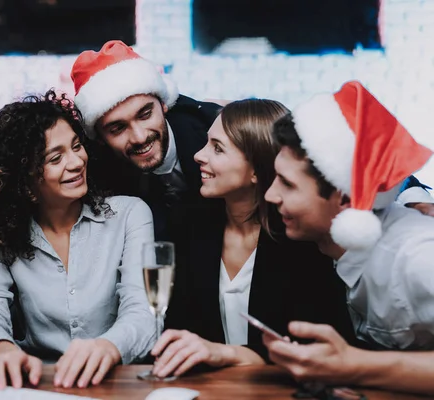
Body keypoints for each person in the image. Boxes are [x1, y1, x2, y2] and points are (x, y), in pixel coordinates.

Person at [148, 99, 357, 378]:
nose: (198, 155)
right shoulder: (189, 226)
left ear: (258, 170)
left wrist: (228, 354)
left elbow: (316, 347)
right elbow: (182, 330)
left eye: (217, 148)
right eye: (207, 142)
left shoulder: (302, 241)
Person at [0, 90, 155, 389]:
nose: (76, 162)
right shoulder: (0, 233)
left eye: (77, 146)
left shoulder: (130, 215)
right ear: (24, 180)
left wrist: (108, 348)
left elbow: (144, 312)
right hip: (37, 385)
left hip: (117, 384)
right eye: (56, 158)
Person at [263, 81, 434, 394]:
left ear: (344, 198)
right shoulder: (328, 249)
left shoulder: (418, 257)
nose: (270, 194)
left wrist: (354, 365)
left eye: (287, 184)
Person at [71, 40, 221, 240]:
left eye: (145, 115)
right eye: (118, 128)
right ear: (99, 138)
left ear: (164, 104)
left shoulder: (216, 131)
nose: (140, 137)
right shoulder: (94, 173)